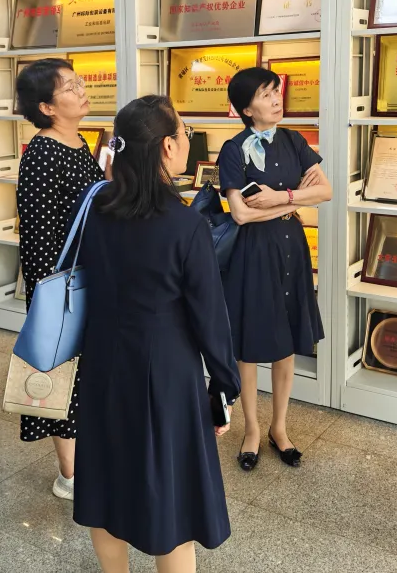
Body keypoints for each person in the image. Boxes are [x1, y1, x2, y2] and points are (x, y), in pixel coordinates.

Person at [74, 95, 240, 573]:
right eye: (185, 133)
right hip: (166, 373)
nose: (186, 141)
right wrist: (224, 385)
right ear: (168, 146)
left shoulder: (95, 207)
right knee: (173, 500)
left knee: (105, 485)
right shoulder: (185, 224)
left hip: (102, 361)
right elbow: (210, 317)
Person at [220, 68, 331, 471]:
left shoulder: (294, 140)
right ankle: (251, 429)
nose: (275, 99)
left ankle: (278, 428)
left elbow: (326, 191)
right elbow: (240, 215)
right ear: (247, 108)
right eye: (266, 95)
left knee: (285, 343)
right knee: (248, 347)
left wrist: (280, 198)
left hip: (290, 250)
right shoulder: (234, 149)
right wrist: (297, 201)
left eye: (276, 92)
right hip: (253, 252)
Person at [15, 58, 103, 500]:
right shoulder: (43, 153)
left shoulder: (78, 141)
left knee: (84, 375)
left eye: (78, 82)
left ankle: (87, 458)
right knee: (61, 373)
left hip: (87, 278)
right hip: (61, 286)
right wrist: (48, 299)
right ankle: (70, 474)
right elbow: (37, 235)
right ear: (47, 107)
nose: (81, 90)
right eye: (69, 87)